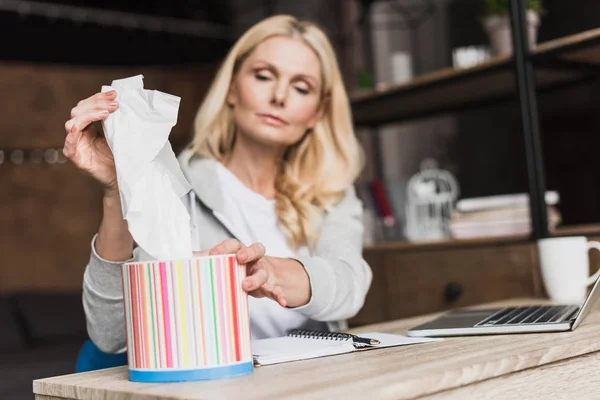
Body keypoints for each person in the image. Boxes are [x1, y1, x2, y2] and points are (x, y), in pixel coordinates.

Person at [63, 14, 372, 354]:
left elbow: (349, 286)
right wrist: (117, 190)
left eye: (302, 87)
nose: (280, 96)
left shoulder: (332, 193)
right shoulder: (172, 185)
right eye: (264, 76)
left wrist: (271, 271)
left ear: (317, 112)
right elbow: (112, 335)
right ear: (232, 88)